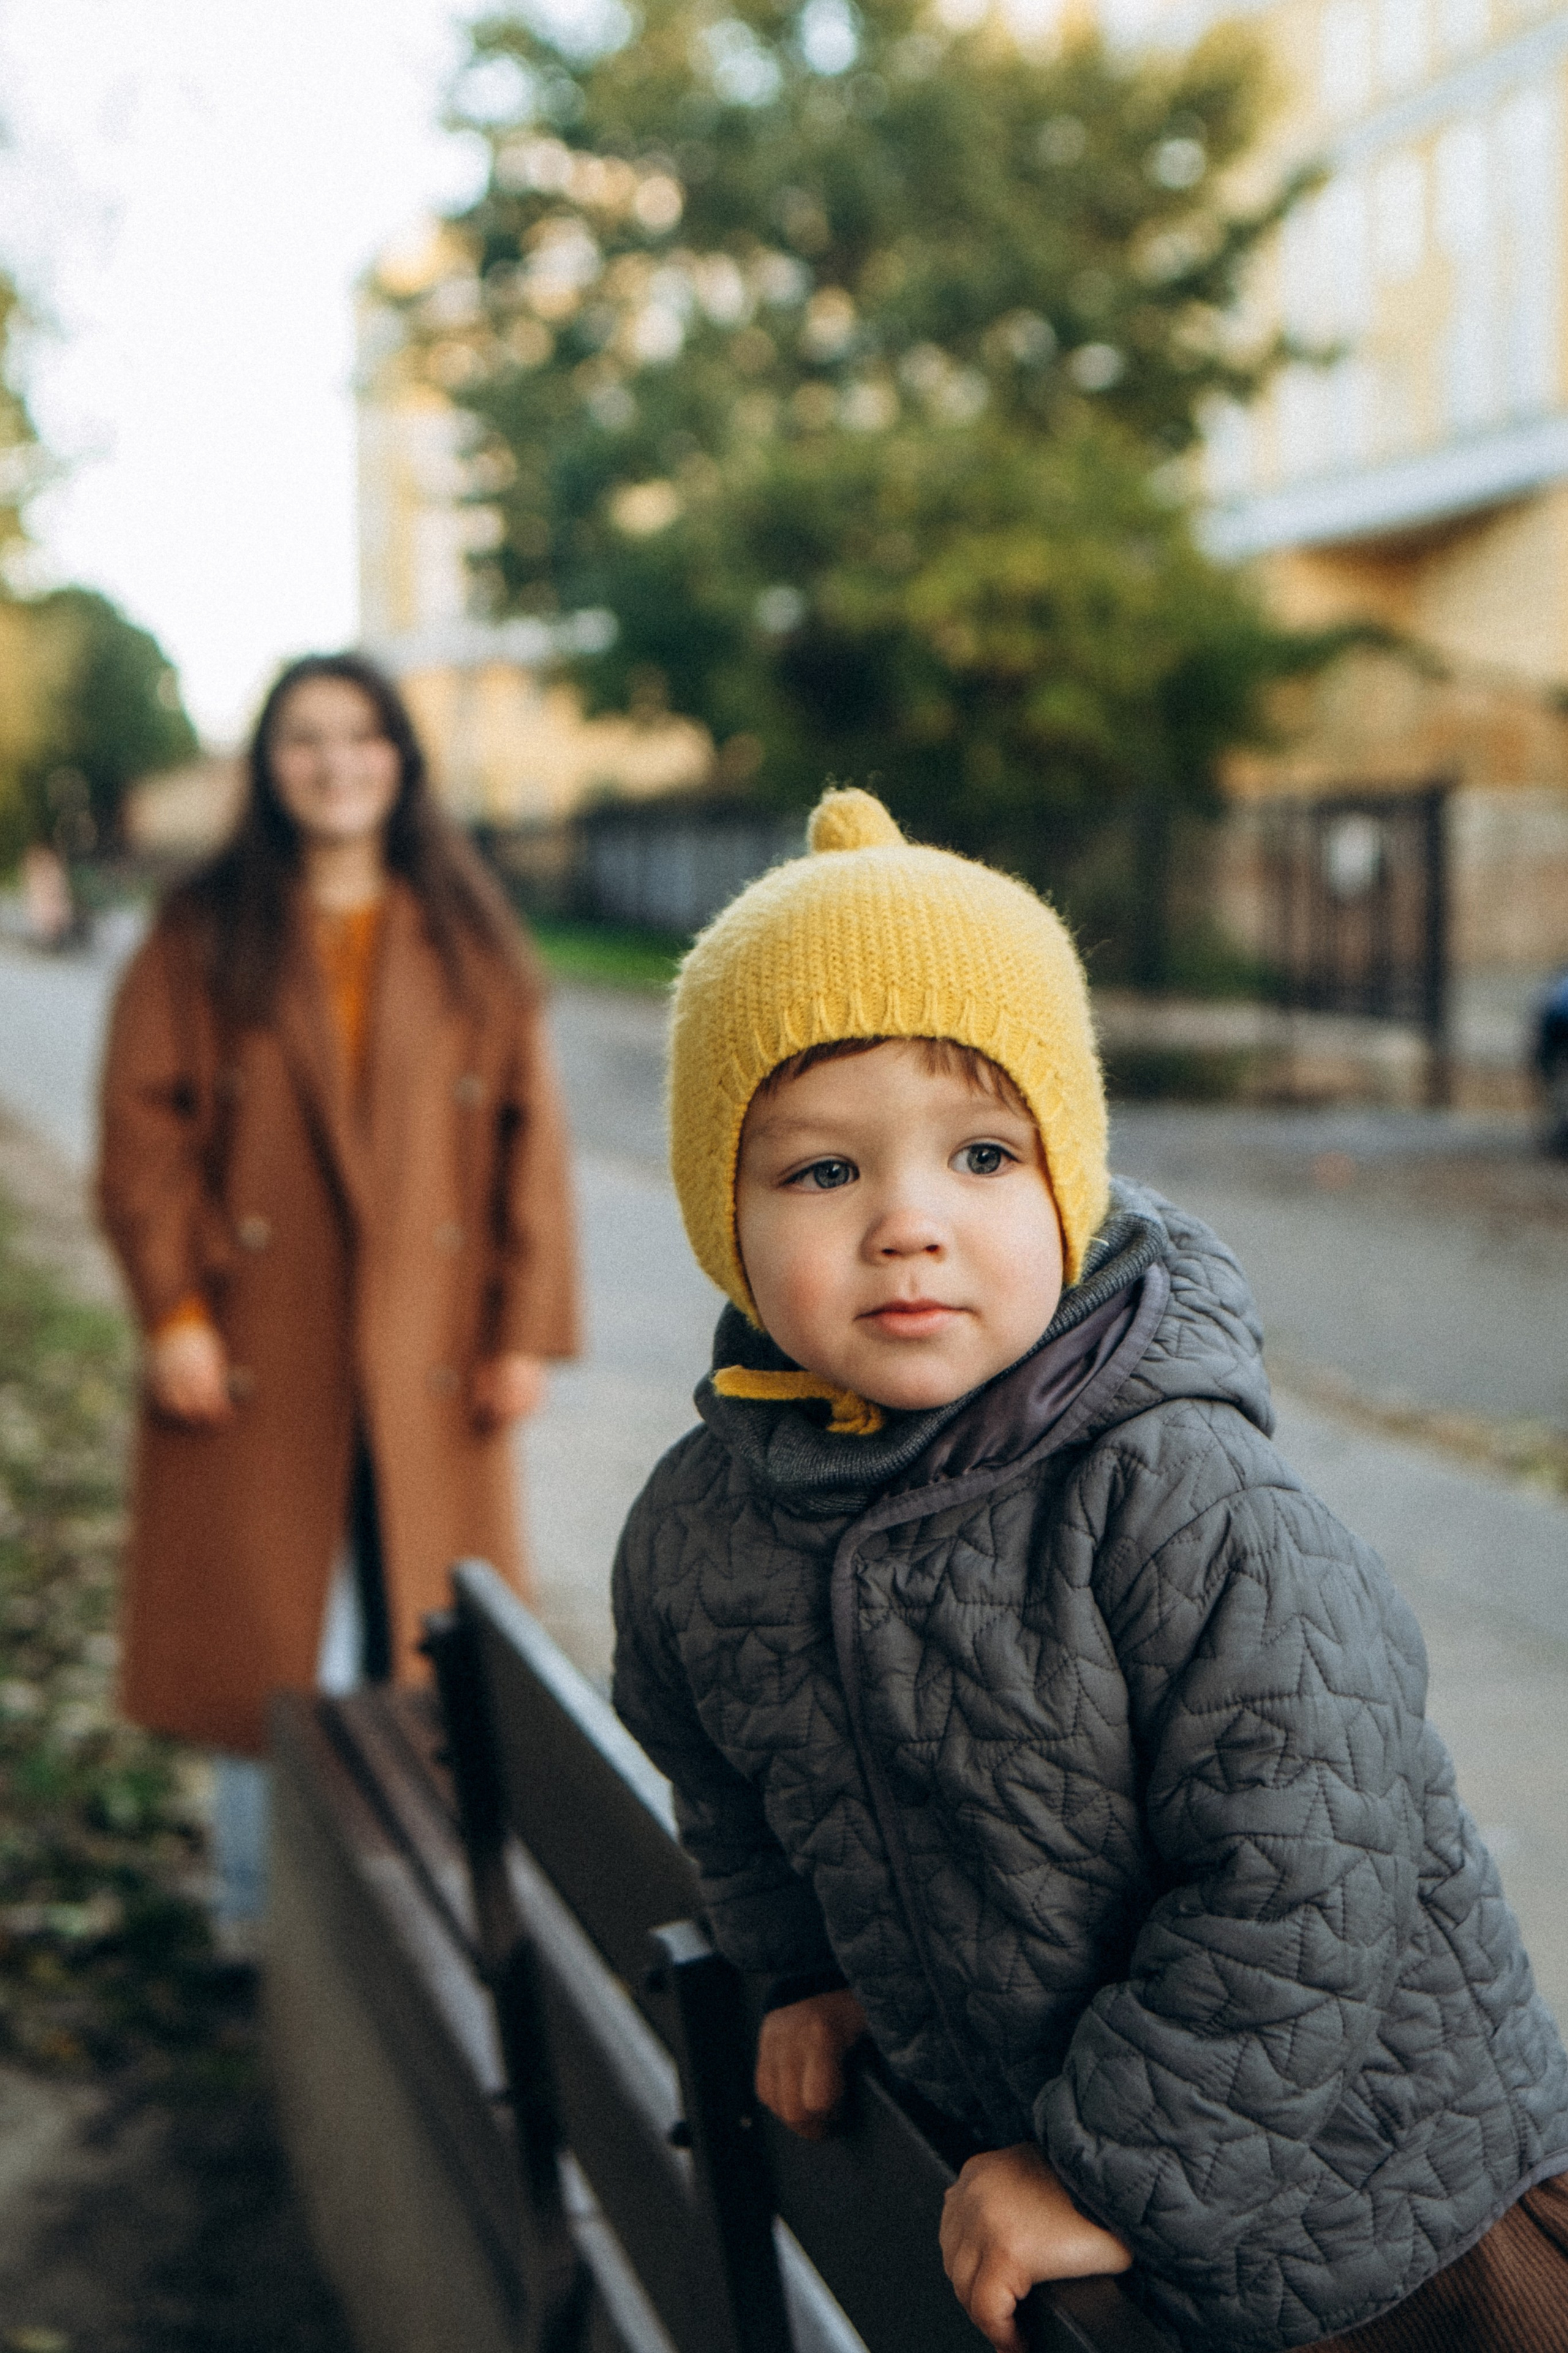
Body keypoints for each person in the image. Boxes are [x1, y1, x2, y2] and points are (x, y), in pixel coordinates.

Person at [611, 785, 1568, 2352]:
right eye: (821, 1173)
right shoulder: (702, 1533)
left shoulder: (1174, 1490)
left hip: (1392, 2225)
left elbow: (1308, 1860)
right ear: (722, 1216)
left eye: (981, 1153)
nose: (906, 1224)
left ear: (1072, 1181)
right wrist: (801, 1966)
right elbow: (719, 1766)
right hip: (1103, 2261)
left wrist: (1108, 2165)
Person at [99, 651, 579, 1935]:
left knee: (423, 1638)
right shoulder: (202, 929)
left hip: (430, 1352)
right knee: (273, 1642)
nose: (335, 762)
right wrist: (173, 1312)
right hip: (255, 1344)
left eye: (361, 737)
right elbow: (144, 1139)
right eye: (306, 739)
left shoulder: (467, 930)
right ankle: (259, 1923)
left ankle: (413, 1920)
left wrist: (520, 1326)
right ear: (267, 763)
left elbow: (528, 1145)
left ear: (400, 762)